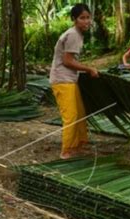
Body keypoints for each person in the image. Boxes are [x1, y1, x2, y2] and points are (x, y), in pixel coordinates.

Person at [49, 3, 99, 159]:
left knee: (80, 113)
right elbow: (67, 61)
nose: (86, 21)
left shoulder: (76, 34)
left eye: (88, 17)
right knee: (70, 115)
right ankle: (67, 151)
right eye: (82, 18)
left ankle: (78, 146)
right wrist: (89, 69)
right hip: (62, 80)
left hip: (69, 79)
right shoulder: (73, 35)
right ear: (74, 20)